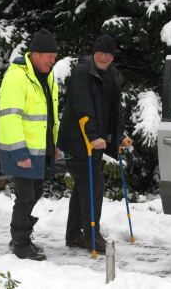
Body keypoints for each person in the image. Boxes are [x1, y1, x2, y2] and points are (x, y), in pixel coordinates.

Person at [57, 34, 132, 253]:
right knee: (93, 185)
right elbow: (83, 107)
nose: (103, 56)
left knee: (83, 187)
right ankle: (92, 236)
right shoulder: (82, 73)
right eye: (100, 52)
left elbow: (113, 110)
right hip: (78, 141)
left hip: (94, 142)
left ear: (113, 56)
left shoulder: (111, 75)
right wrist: (92, 136)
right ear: (94, 52)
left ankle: (73, 235)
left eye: (108, 53)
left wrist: (118, 136)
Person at [0, 28, 60, 261]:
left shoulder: (47, 75)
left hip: (40, 149)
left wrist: (54, 143)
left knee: (35, 192)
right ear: (35, 54)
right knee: (25, 197)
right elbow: (10, 116)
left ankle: (22, 236)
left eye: (55, 57)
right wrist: (18, 151)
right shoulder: (17, 76)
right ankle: (20, 242)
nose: (53, 61)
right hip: (23, 151)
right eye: (49, 56)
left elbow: (50, 114)